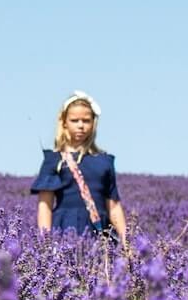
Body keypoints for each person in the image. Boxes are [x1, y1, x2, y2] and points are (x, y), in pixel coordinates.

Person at [30, 91, 128, 247]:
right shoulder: (54, 160)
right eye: (74, 120)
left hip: (100, 233)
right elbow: (45, 206)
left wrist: (126, 242)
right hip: (65, 229)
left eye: (86, 120)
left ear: (93, 123)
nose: (81, 125)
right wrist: (44, 244)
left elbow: (114, 205)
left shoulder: (104, 161)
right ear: (64, 122)